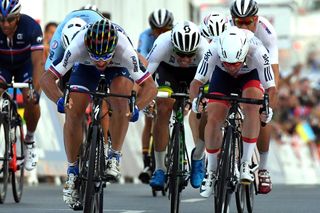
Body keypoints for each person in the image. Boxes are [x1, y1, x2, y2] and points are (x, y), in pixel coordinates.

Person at [40, 19, 157, 209]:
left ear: (114, 48)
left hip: (118, 68)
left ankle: (114, 155)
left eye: (105, 56)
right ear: (87, 47)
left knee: (122, 104)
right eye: (96, 56)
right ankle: (72, 171)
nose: (101, 61)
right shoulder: (78, 45)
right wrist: (60, 100)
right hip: (85, 68)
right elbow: (47, 78)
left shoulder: (125, 50)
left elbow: (150, 86)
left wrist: (137, 107)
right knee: (72, 112)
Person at [190, 26, 276, 197]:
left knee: (253, 106)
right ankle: (212, 171)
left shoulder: (258, 51)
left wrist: (267, 108)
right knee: (213, 117)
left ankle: (245, 163)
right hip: (221, 79)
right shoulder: (214, 49)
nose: (231, 67)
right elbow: (197, 82)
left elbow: (271, 88)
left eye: (235, 63)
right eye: (227, 63)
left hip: (249, 76)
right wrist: (195, 101)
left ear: (244, 54)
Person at [146, 21, 209, 190]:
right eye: (181, 54)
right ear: (173, 46)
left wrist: (200, 99)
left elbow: (211, 81)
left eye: (190, 55)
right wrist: (144, 98)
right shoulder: (162, 43)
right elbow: (144, 77)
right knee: (163, 108)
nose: (185, 59)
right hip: (168, 71)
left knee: (207, 110)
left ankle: (198, 157)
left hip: (196, 74)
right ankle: (159, 168)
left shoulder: (204, 49)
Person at [228, 0, 279, 194]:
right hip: (229, 68)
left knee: (260, 111)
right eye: (238, 22)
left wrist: (269, 106)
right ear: (232, 20)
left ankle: (263, 168)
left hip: (257, 68)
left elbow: (273, 76)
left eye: (247, 22)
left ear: (256, 19)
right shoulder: (224, 29)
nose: (243, 26)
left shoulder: (266, 32)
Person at [0, 0, 43, 171]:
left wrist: (35, 91)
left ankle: (30, 140)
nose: (5, 24)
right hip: (3, 65)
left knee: (30, 98)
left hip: (25, 65)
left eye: (9, 19)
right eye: (1, 19)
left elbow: (38, 63)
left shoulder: (31, 27)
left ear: (17, 17)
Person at [137, 8, 174, 184]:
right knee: (150, 119)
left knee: (171, 108)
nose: (159, 33)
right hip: (151, 70)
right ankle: (146, 161)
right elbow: (143, 62)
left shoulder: (175, 37)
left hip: (170, 71)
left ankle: (176, 151)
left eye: (164, 30)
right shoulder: (145, 36)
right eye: (156, 30)